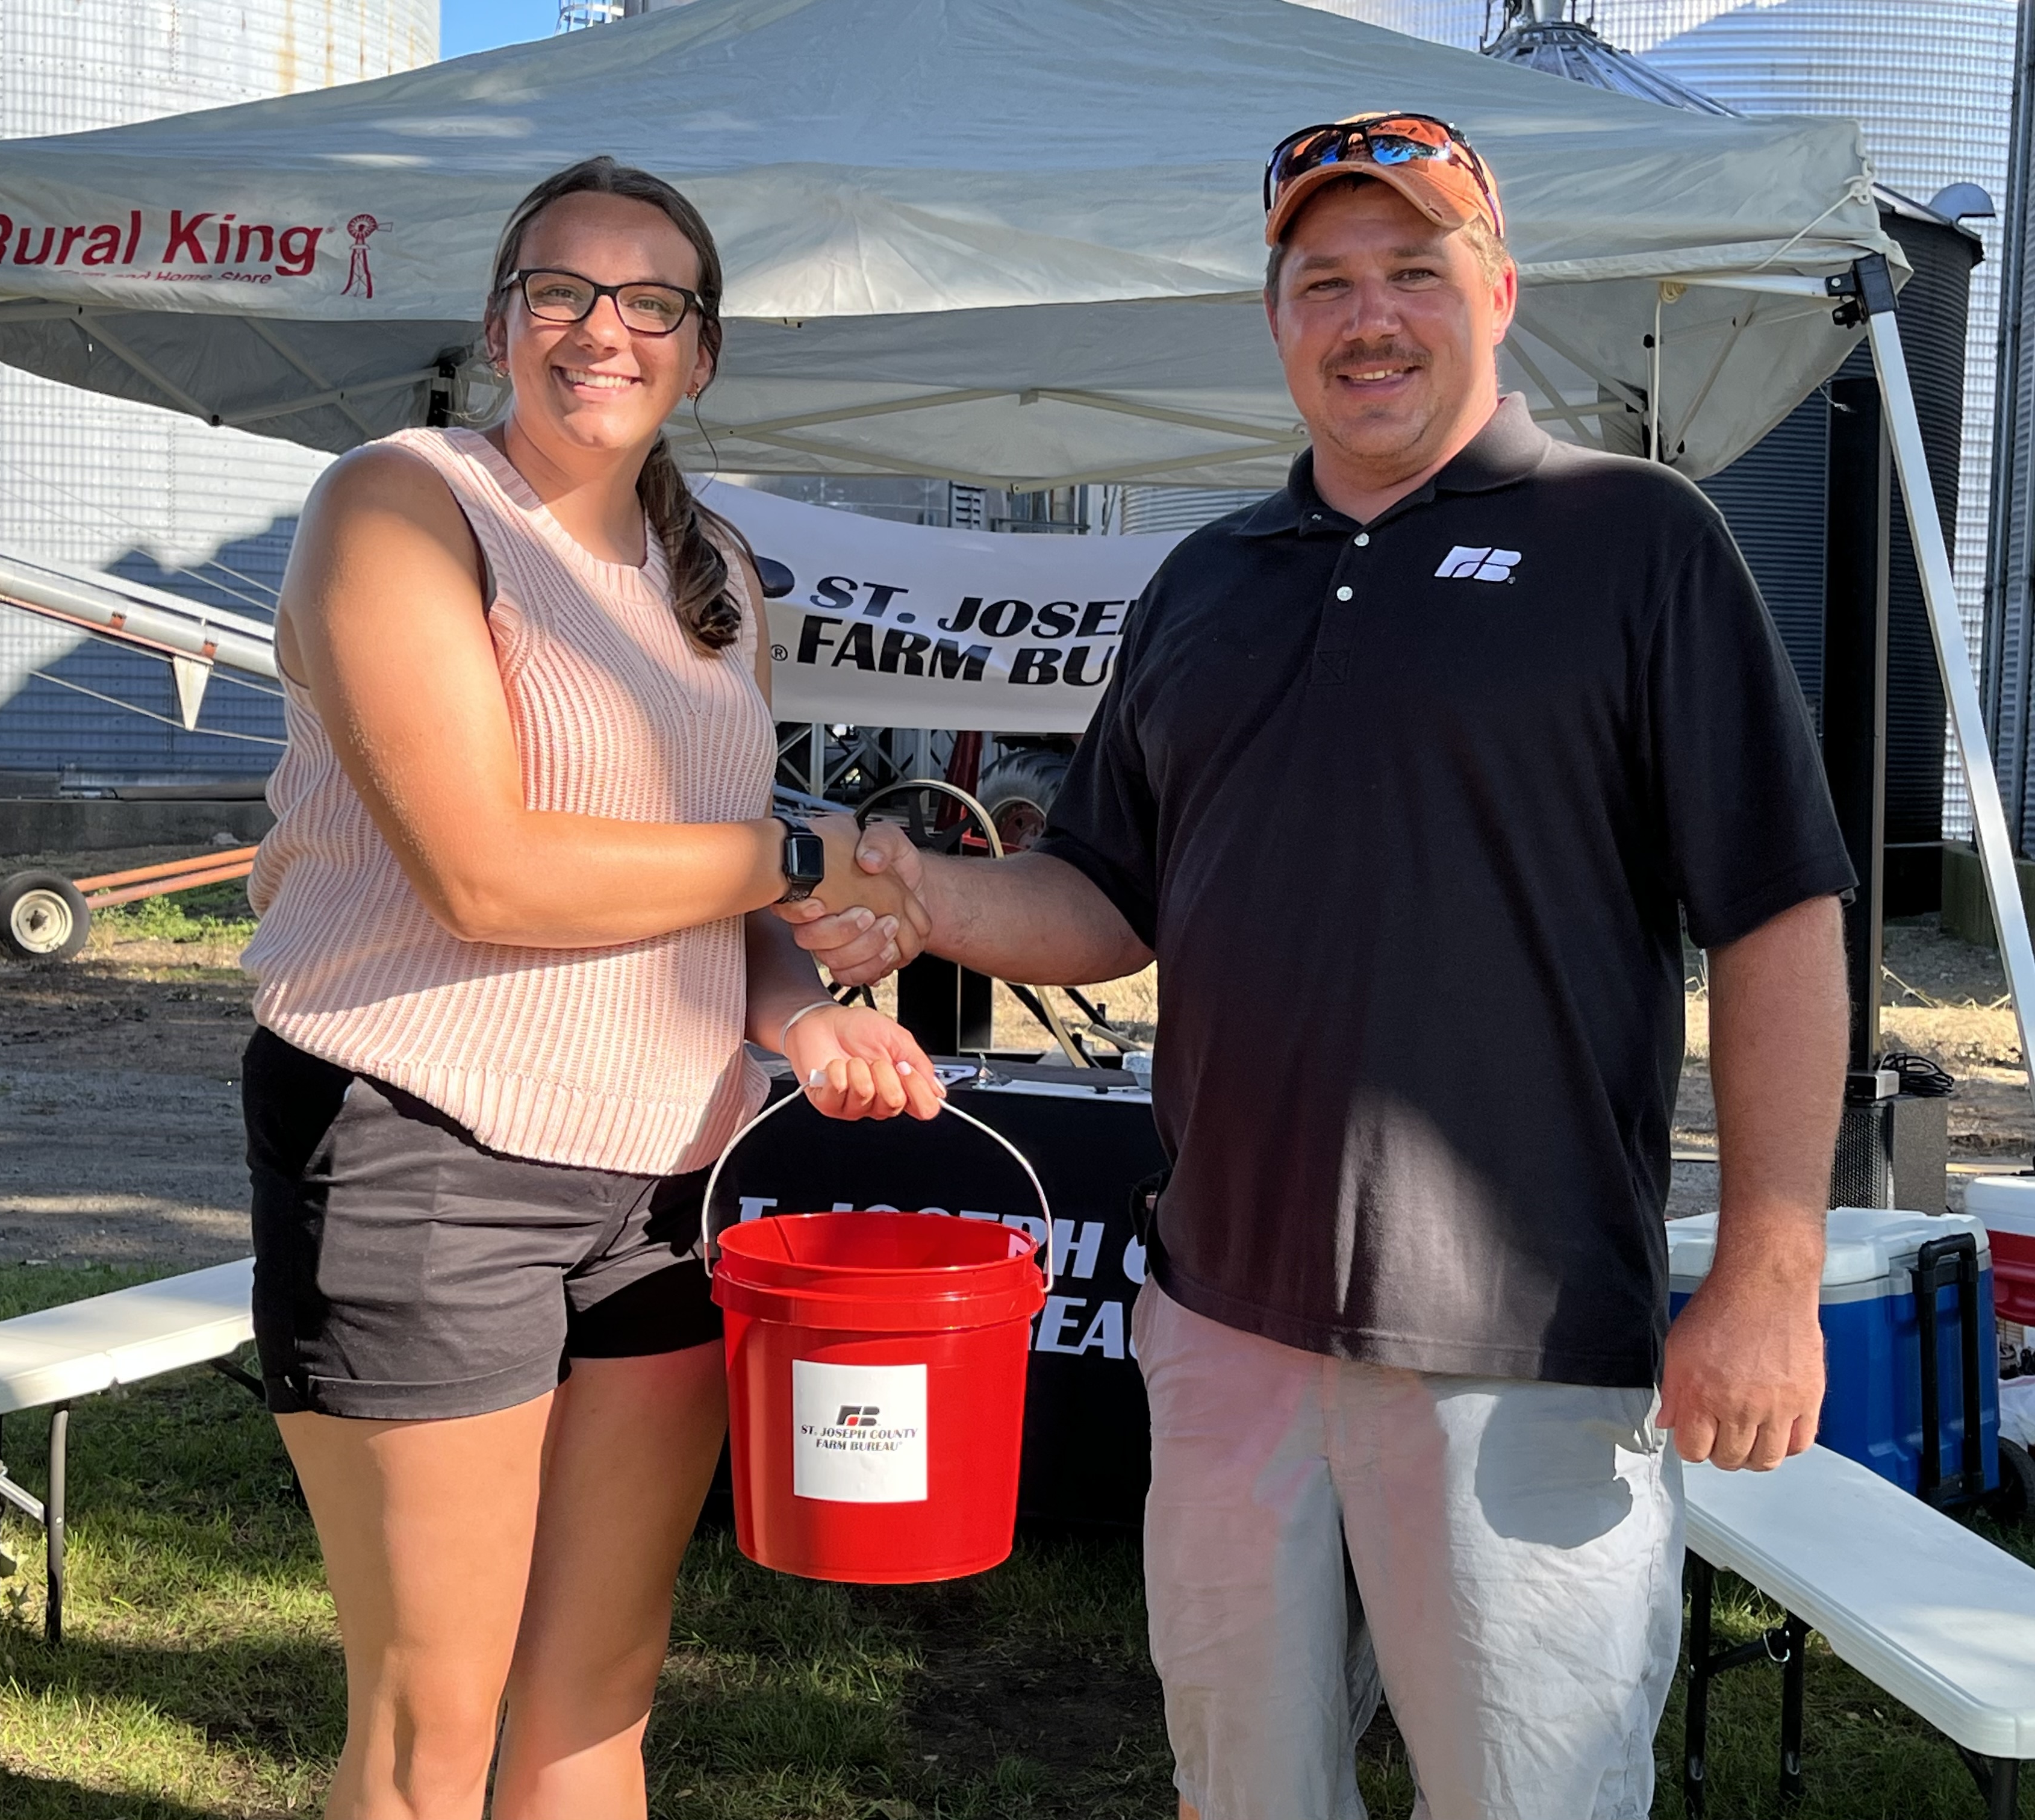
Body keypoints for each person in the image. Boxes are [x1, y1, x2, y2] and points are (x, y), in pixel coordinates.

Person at [781, 113, 1853, 1820]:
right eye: (1326, 281)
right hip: (1221, 1323)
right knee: (1243, 1788)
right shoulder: (1207, 583)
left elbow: (1781, 913)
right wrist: (920, 896)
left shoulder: (1638, 543)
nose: (1372, 317)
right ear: (1272, 319)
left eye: (1415, 273)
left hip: (1517, 1344)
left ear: (1497, 290)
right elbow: (1109, 895)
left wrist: (1773, 1267)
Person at [240, 157, 936, 1820]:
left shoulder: (715, 578)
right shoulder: (402, 504)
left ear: (701, 355)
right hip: (425, 1147)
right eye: (561, 291)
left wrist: (796, 1007)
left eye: (651, 304)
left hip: (668, 1179)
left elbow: (692, 895)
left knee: (597, 1701)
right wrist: (799, 859)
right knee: (432, 1729)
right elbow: (490, 872)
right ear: (500, 325)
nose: (599, 330)